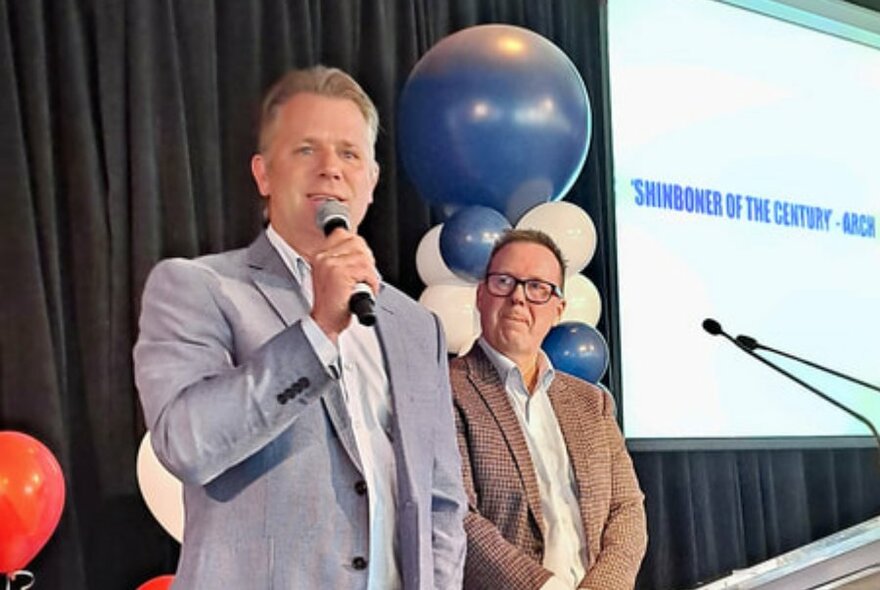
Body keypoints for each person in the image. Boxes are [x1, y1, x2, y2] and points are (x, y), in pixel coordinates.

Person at [133, 65, 466, 589]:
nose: (331, 169)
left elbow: (442, 499)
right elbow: (187, 443)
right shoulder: (197, 287)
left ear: (372, 181)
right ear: (264, 174)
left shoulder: (415, 324)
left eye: (350, 153)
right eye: (306, 149)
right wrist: (316, 333)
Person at [450, 229, 647, 589]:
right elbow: (458, 515)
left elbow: (627, 509)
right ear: (481, 295)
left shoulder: (592, 401)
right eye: (504, 281)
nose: (518, 298)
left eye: (538, 287)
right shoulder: (447, 389)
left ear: (558, 310)